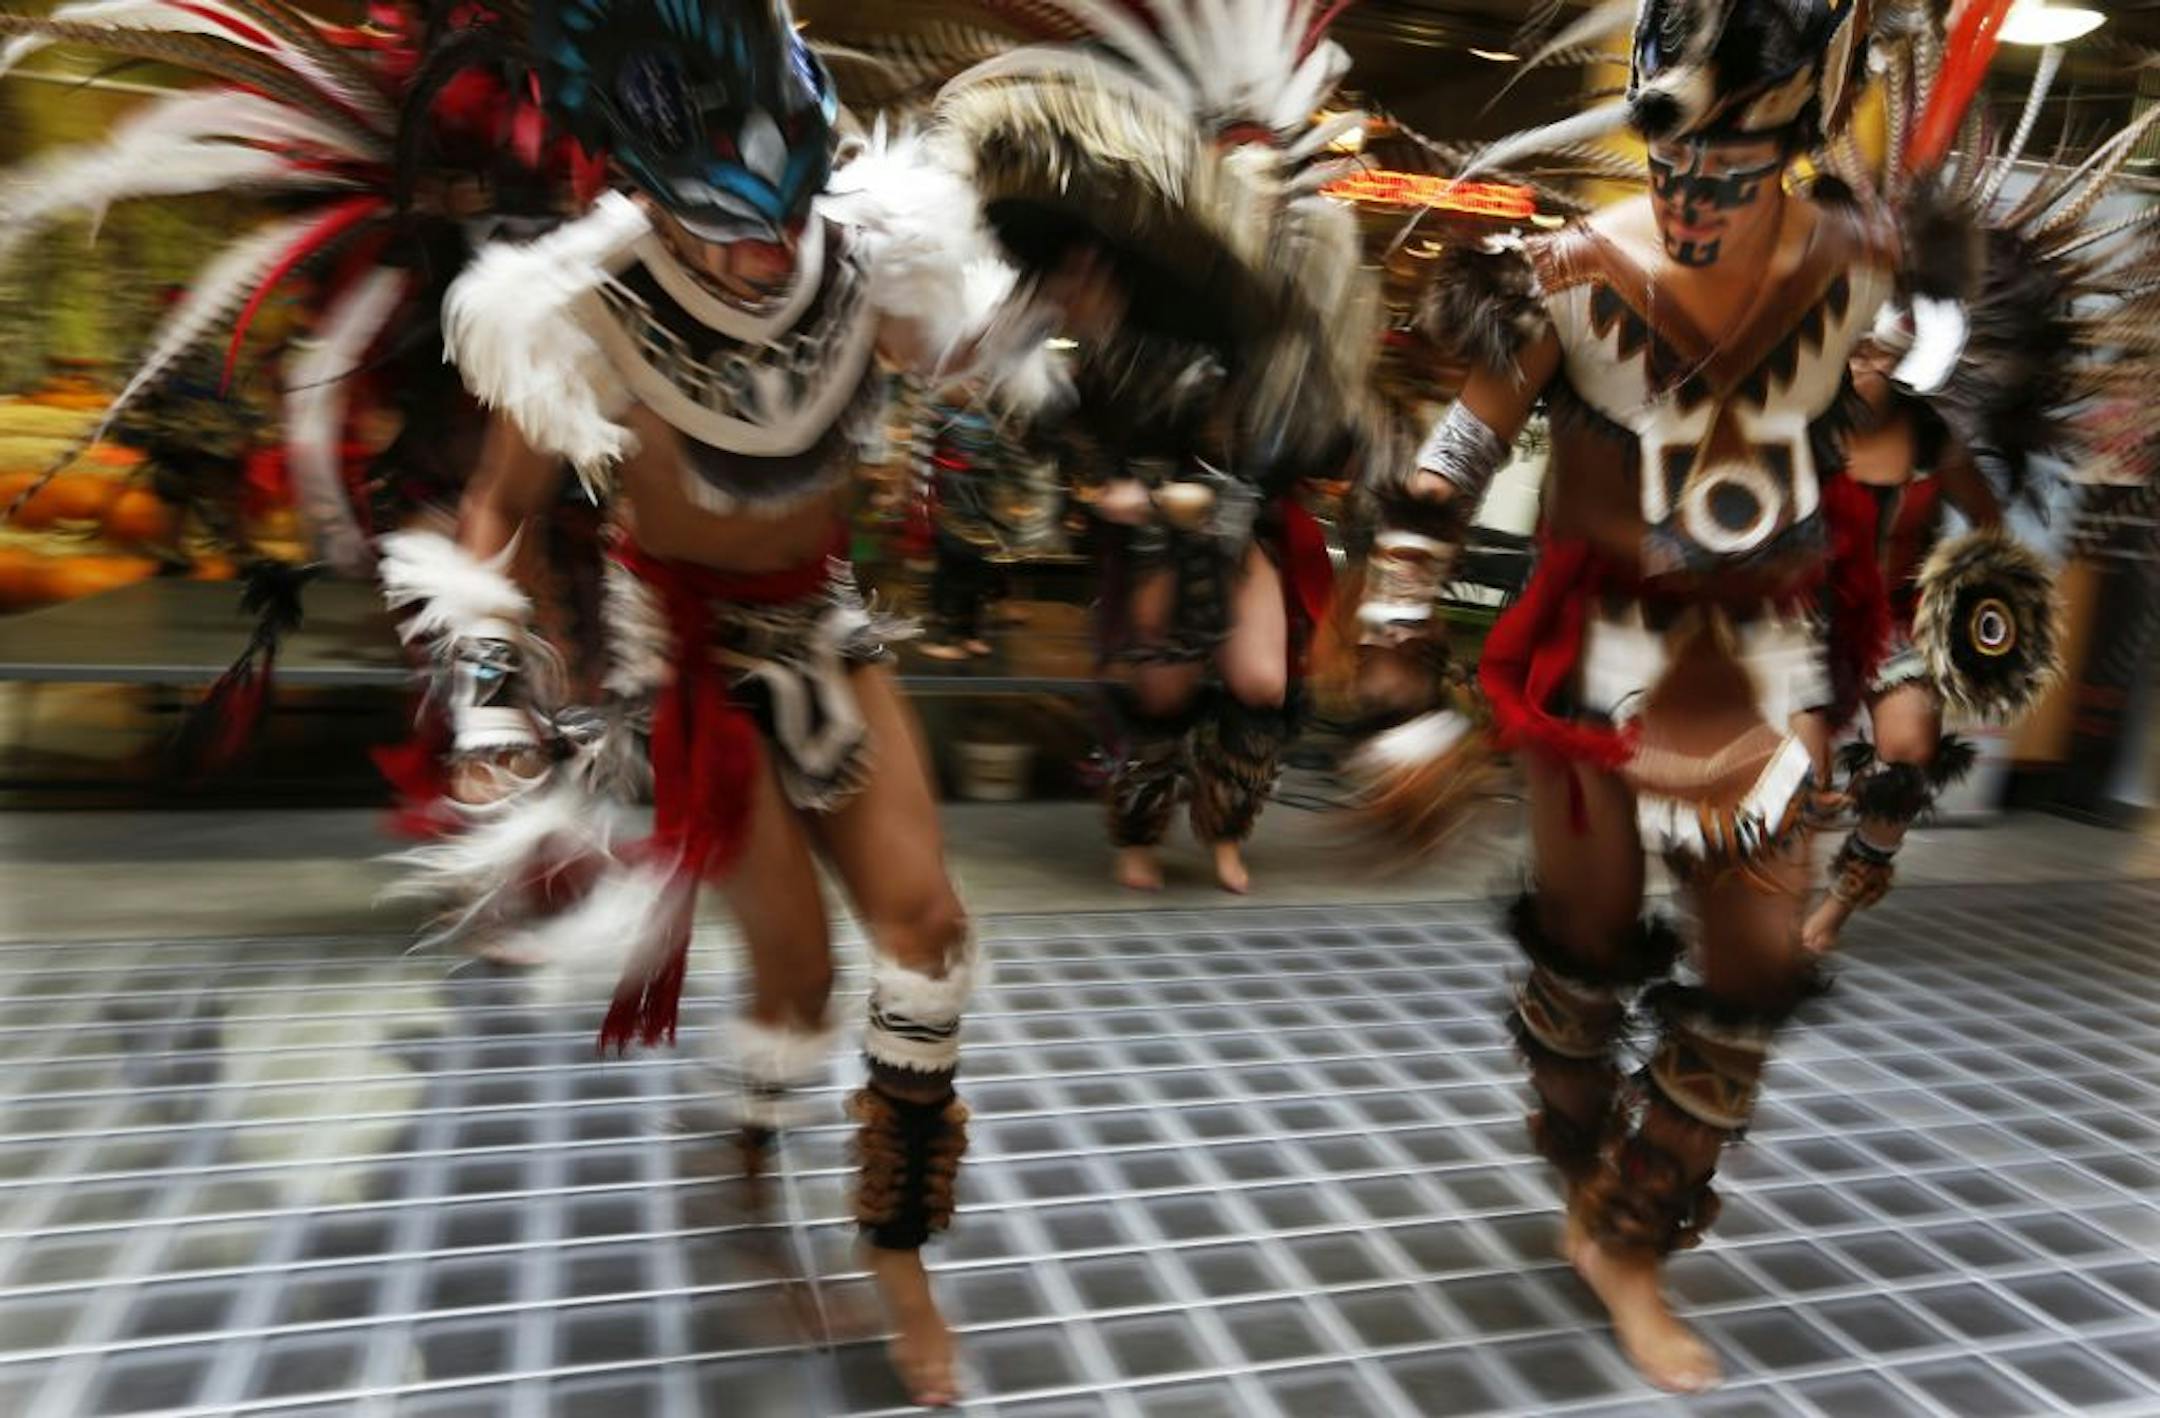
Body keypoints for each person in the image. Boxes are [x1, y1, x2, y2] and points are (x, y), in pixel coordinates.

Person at [371, 2, 1088, 1406]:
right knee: (799, 977)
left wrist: (1062, 355)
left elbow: (976, 359)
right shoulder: (578, 304)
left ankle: (896, 1250)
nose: (764, 256)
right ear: (645, 191)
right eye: (723, 229)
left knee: (931, 935)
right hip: (688, 661)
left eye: (784, 218)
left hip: (825, 626)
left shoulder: (876, 246)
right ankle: (752, 1159)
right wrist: (490, 700)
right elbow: (495, 515)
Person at [1357, 0, 1899, 1391]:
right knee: (1582, 969)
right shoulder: (1568, 277)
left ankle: (1629, 1235)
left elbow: (1857, 498)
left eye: (1732, 165)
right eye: (1670, 154)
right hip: (1598, 668)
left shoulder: (1856, 275)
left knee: (1757, 962)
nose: (1693, 192)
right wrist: (1397, 699)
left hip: (1757, 671)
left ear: (1795, 144)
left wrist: (1864, 684)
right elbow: (1440, 480)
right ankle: (1590, 1178)